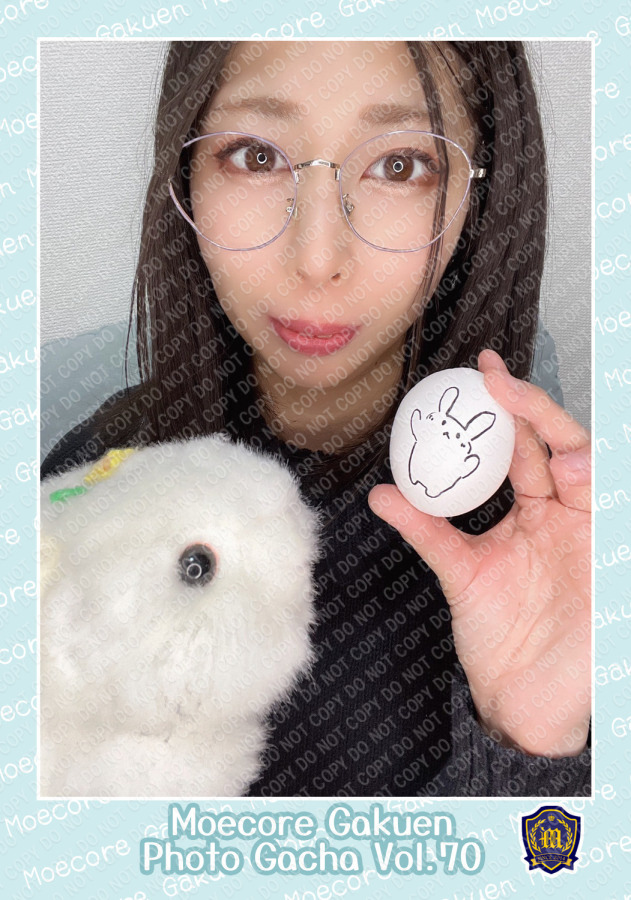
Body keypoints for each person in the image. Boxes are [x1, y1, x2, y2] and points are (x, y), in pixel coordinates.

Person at [41, 39, 591, 797]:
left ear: (480, 195)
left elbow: (553, 853)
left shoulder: (562, 555)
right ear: (187, 171)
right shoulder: (90, 491)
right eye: (256, 156)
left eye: (400, 164)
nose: (317, 258)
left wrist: (531, 743)